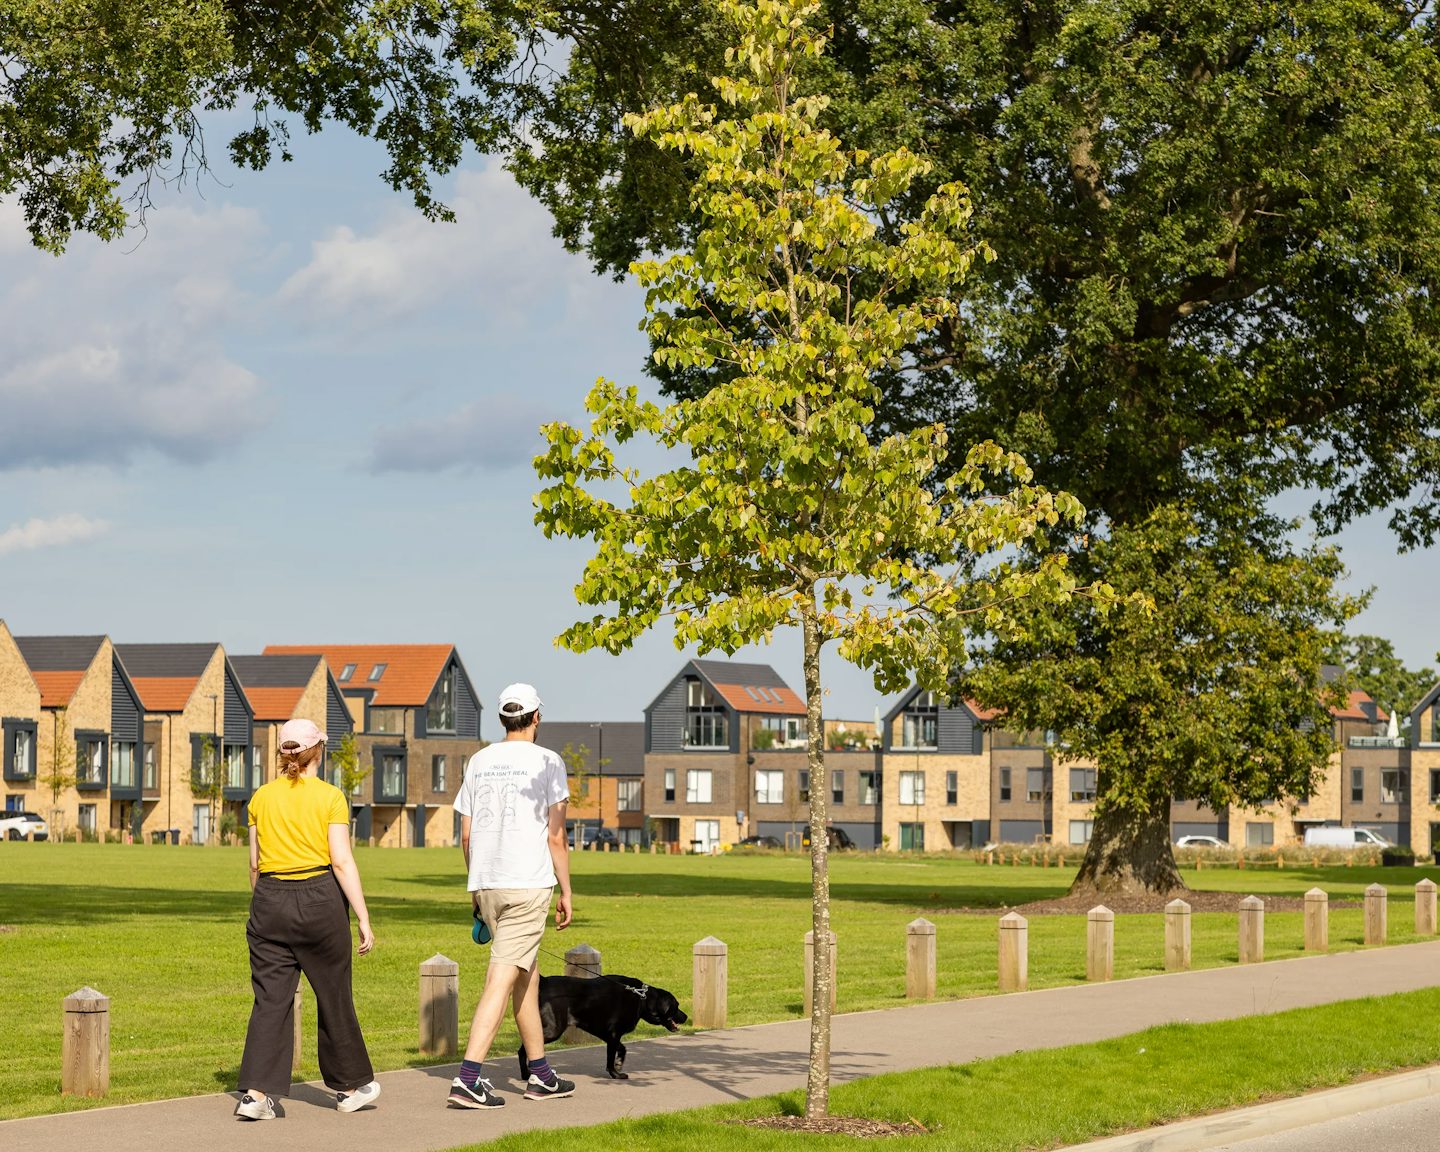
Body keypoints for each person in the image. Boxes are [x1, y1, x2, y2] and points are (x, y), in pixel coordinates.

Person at [234, 718, 380, 1120]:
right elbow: (341, 860)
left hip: (269, 898)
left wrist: (268, 902)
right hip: (319, 899)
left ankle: (256, 1095)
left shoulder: (260, 798)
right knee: (333, 994)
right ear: (319, 751)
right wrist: (364, 917)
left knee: (270, 999)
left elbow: (253, 865)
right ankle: (349, 1088)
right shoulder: (331, 797)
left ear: (285, 753)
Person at [447, 683, 574, 1108]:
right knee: (502, 977)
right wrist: (567, 891)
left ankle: (540, 1074)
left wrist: (477, 885)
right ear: (537, 717)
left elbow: (466, 834)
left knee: (526, 977)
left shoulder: (479, 760)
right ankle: (468, 1076)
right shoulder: (548, 762)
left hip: (488, 882)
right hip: (527, 883)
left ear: (503, 719)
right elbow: (556, 837)